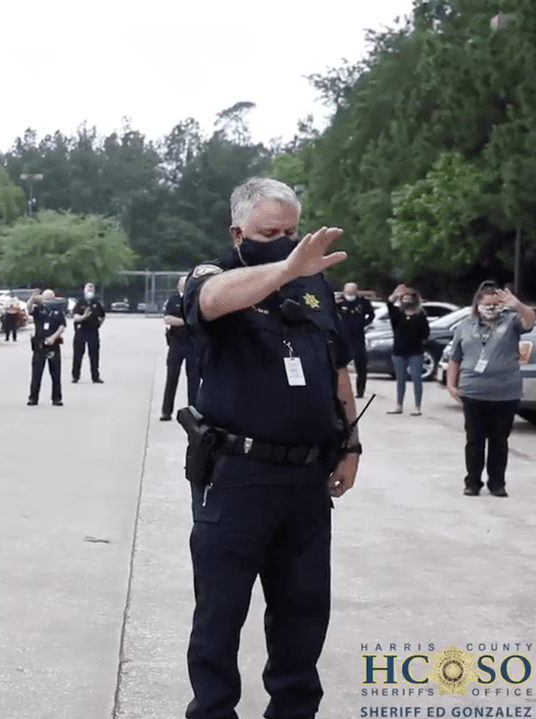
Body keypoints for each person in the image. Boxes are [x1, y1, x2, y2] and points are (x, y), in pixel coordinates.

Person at [180, 177, 360, 719]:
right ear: (238, 232)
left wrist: (351, 445)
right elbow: (211, 302)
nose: (284, 241)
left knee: (303, 613)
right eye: (269, 232)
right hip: (237, 476)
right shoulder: (214, 274)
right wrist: (285, 269)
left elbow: (338, 368)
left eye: (291, 232)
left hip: (306, 481)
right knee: (220, 614)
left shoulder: (316, 287)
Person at [446, 281, 535, 497]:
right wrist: (451, 384)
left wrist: (517, 305)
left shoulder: (511, 322)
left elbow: (530, 321)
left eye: (496, 304)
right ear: (477, 304)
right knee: (474, 439)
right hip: (473, 392)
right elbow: (455, 358)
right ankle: (472, 482)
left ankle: (497, 483)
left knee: (499, 440)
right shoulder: (465, 325)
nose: (491, 308)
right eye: (487, 304)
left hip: (504, 393)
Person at [385, 284, 430, 416]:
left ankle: (417, 407)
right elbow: (389, 303)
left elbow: (426, 333)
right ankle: (399, 405)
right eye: (404, 297)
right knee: (400, 380)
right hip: (399, 351)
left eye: (409, 297)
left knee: (416, 379)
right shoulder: (397, 315)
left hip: (416, 351)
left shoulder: (420, 316)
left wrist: (420, 341)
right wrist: (396, 294)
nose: (407, 300)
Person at [160, 275, 199, 421]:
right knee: (171, 378)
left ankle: (194, 412)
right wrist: (187, 322)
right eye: (183, 282)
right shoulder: (173, 300)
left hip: (193, 345)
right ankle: (166, 411)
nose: (186, 284)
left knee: (194, 380)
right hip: (177, 344)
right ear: (178, 286)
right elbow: (168, 319)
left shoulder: (196, 299)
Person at [336, 282, 376, 398]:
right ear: (344, 290)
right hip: (342, 338)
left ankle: (360, 391)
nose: (350, 292)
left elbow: (371, 315)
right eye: (348, 290)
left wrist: (364, 324)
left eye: (353, 290)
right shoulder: (339, 302)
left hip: (358, 338)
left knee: (362, 365)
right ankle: (338, 391)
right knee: (339, 366)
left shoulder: (362, 302)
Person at [26, 289, 65, 406]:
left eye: (50, 298)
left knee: (55, 373)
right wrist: (32, 299)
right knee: (36, 372)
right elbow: (29, 310)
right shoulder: (38, 310)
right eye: (45, 298)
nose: (47, 300)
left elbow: (62, 326)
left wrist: (53, 337)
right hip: (39, 344)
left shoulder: (58, 311)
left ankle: (56, 398)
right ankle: (33, 397)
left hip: (53, 344)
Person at [71, 282, 106, 383]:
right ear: (84, 291)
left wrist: (99, 324)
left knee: (94, 355)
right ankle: (75, 376)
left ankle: (95, 376)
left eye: (92, 290)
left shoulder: (96, 303)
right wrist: (84, 316)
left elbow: (103, 315)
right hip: (81, 331)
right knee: (78, 354)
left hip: (93, 332)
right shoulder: (80, 302)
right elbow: (75, 318)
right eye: (88, 289)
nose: (90, 292)